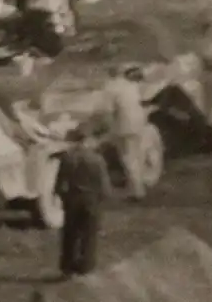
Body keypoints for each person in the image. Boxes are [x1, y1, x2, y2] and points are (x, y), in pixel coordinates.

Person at [55, 124, 113, 277]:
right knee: (89, 235)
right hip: (91, 200)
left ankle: (67, 268)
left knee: (70, 235)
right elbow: (104, 185)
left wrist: (63, 198)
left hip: (73, 199)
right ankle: (86, 267)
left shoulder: (68, 157)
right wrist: (102, 199)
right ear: (89, 139)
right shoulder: (97, 159)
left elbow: (60, 182)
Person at [101, 64, 148, 201]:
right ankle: (137, 185)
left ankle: (137, 192)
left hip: (124, 125)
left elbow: (108, 112)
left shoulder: (110, 88)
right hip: (139, 122)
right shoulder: (130, 85)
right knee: (136, 154)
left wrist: (107, 128)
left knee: (128, 157)